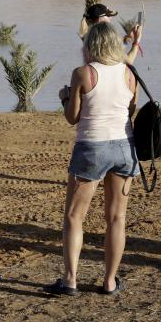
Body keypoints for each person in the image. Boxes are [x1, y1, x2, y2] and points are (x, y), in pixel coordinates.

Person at [44, 22, 139, 296]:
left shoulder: (83, 73)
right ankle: (110, 281)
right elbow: (130, 110)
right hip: (124, 147)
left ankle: (70, 280)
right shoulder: (129, 73)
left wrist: (65, 97)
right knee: (116, 217)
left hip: (91, 147)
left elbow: (72, 117)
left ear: (91, 45)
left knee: (75, 216)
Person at [79, 3, 143, 64]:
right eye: (108, 15)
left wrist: (126, 39)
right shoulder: (101, 39)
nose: (111, 18)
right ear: (99, 19)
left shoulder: (89, 36)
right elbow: (129, 60)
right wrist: (136, 41)